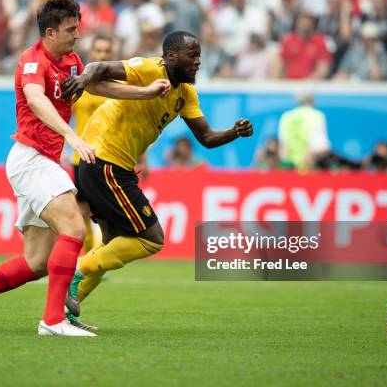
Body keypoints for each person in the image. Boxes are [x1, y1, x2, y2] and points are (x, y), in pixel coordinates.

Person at [0, 0, 170, 337]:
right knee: (75, 228)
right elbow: (37, 100)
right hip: (30, 159)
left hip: (44, 162)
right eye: (71, 30)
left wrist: (144, 93)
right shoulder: (31, 61)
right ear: (50, 32)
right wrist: (72, 136)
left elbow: (95, 85)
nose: (78, 35)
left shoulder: (70, 60)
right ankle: (53, 320)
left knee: (36, 263)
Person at [61, 30, 254, 329]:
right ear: (171, 57)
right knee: (152, 240)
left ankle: (65, 314)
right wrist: (83, 80)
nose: (198, 62)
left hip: (107, 164)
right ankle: (78, 270)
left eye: (199, 56)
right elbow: (98, 68)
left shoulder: (186, 93)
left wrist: (234, 131)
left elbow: (206, 137)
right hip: (106, 161)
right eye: (193, 56)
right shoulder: (149, 68)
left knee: (113, 244)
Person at [71, 35, 113, 255]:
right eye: (98, 50)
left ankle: (100, 253)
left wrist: (142, 156)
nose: (102, 55)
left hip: (109, 157)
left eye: (106, 51)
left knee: (104, 212)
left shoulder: (119, 85)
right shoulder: (80, 83)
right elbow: (62, 115)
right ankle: (89, 254)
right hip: (81, 158)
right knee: (82, 210)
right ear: (91, 53)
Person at [278, 94, 331, 171]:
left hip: (289, 167)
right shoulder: (317, 116)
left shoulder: (286, 116)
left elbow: (283, 148)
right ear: (313, 101)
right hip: (309, 167)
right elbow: (320, 146)